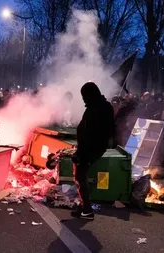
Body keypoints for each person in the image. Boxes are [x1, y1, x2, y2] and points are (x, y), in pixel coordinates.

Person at [71, 82, 114, 220]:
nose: (83, 99)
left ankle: (87, 209)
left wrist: (80, 154)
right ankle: (84, 206)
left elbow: (90, 134)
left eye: (84, 96)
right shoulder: (102, 106)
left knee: (79, 177)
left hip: (90, 149)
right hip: (95, 147)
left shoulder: (95, 109)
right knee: (81, 176)